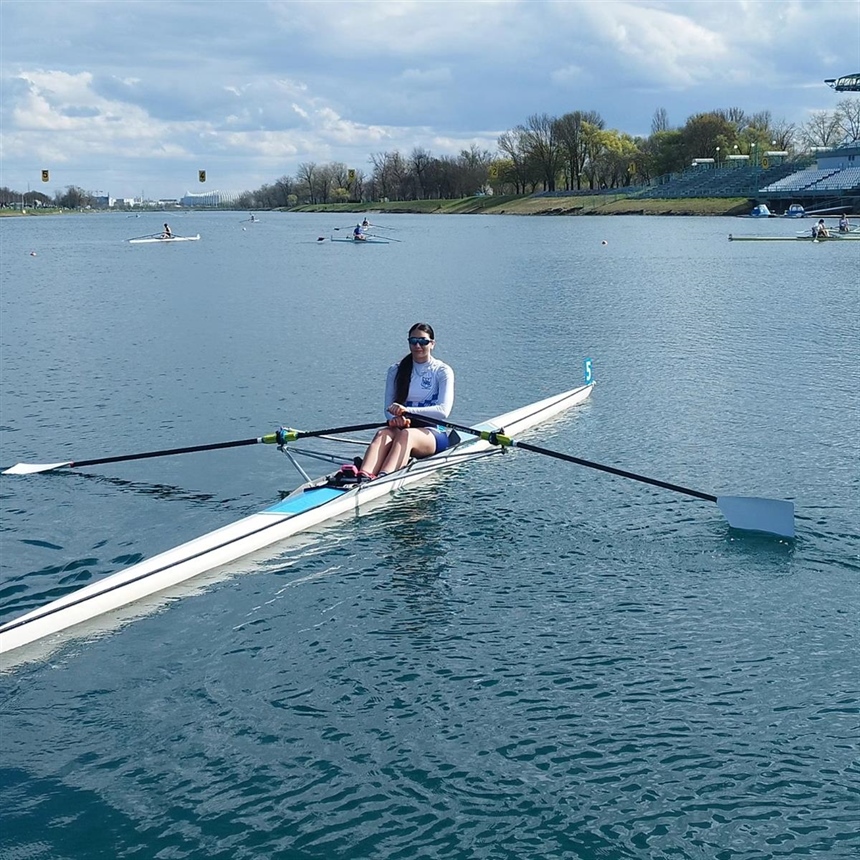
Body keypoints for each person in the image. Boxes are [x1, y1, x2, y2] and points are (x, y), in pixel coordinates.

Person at [347, 323, 454, 482]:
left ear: (432, 344)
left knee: (407, 434)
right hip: (403, 426)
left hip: (433, 432)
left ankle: (383, 478)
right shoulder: (396, 370)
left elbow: (443, 411)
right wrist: (395, 418)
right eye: (413, 341)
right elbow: (388, 409)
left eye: (423, 341)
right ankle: (363, 476)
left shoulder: (442, 371)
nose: (418, 345)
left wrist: (406, 411)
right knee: (382, 433)